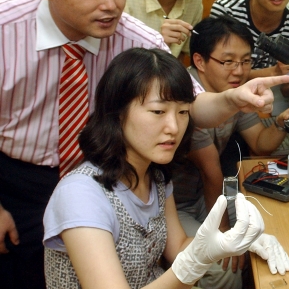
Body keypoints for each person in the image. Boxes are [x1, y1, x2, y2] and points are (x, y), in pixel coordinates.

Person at [0, 0, 289, 289]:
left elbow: (190, 104)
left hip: (110, 168)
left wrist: (232, 98)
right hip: (18, 176)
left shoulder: (137, 40)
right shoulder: (7, 31)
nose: (111, 4)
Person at [43, 47, 269, 288]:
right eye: (158, 111)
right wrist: (191, 264)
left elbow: (179, 247)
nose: (173, 126)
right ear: (117, 113)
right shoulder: (80, 194)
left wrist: (233, 242)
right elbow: (184, 261)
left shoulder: (154, 175)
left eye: (183, 112)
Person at [171, 15, 289, 288]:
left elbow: (260, 143)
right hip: (177, 205)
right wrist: (223, 235)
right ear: (200, 61)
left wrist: (284, 121)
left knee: (269, 227)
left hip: (208, 198)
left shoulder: (234, 92)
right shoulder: (189, 101)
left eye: (245, 61)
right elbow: (211, 173)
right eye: (228, 61)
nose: (239, 71)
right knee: (224, 267)